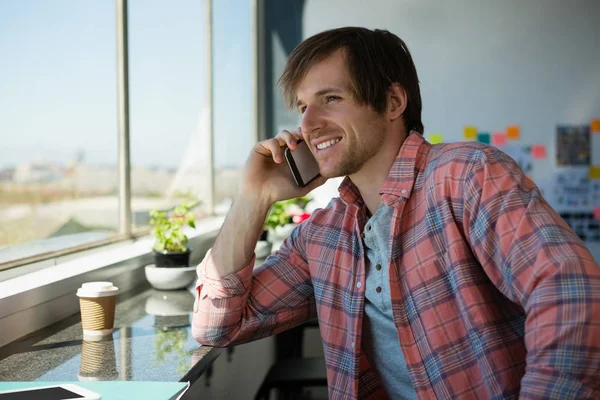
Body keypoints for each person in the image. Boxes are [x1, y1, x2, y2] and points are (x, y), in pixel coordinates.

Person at [192, 27, 600, 399]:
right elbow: (217, 327)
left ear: (392, 102)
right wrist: (253, 196)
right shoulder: (323, 235)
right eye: (302, 106)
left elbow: (571, 292)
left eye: (330, 99)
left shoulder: (465, 175)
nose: (307, 124)